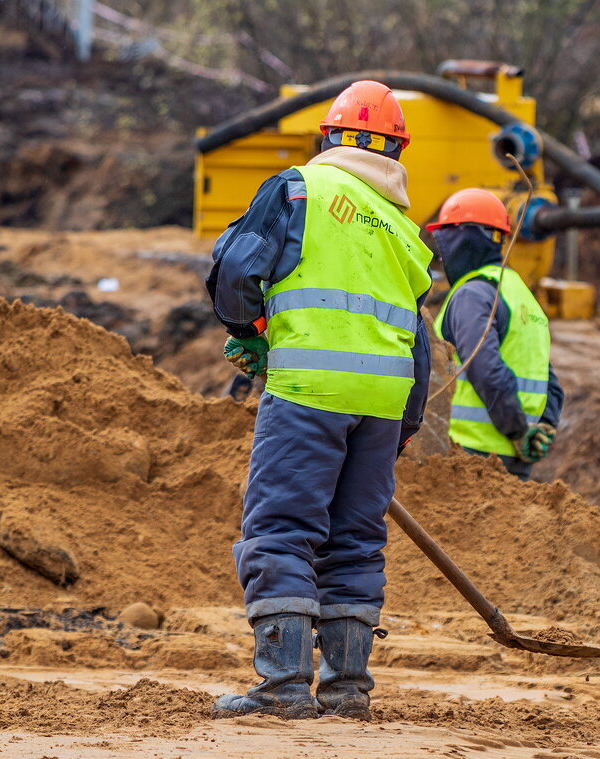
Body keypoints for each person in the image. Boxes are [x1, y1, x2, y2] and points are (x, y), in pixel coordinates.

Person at [205, 80, 432, 721]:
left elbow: (234, 272)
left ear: (327, 138)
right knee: (356, 541)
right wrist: (403, 425)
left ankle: (281, 688)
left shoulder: (300, 188)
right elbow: (417, 343)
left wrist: (250, 332)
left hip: (309, 390)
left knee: (282, 530)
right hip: (384, 403)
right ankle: (347, 690)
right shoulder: (405, 230)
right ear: (396, 151)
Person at [429, 188, 563, 480]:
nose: (442, 250)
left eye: (446, 237)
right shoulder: (520, 294)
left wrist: (516, 430)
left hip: (469, 457)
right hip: (514, 458)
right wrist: (541, 429)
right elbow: (548, 377)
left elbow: (485, 369)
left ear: (463, 237)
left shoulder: (472, 294)